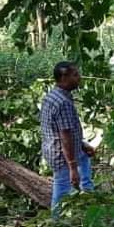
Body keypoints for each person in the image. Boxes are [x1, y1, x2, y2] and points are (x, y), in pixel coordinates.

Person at [40, 62, 95, 212]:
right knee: (62, 193)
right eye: (75, 75)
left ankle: (89, 202)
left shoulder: (53, 96)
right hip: (62, 155)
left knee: (85, 165)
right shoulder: (63, 102)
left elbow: (62, 129)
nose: (79, 78)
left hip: (58, 149)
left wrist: (82, 145)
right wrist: (72, 167)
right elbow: (64, 136)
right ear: (64, 77)